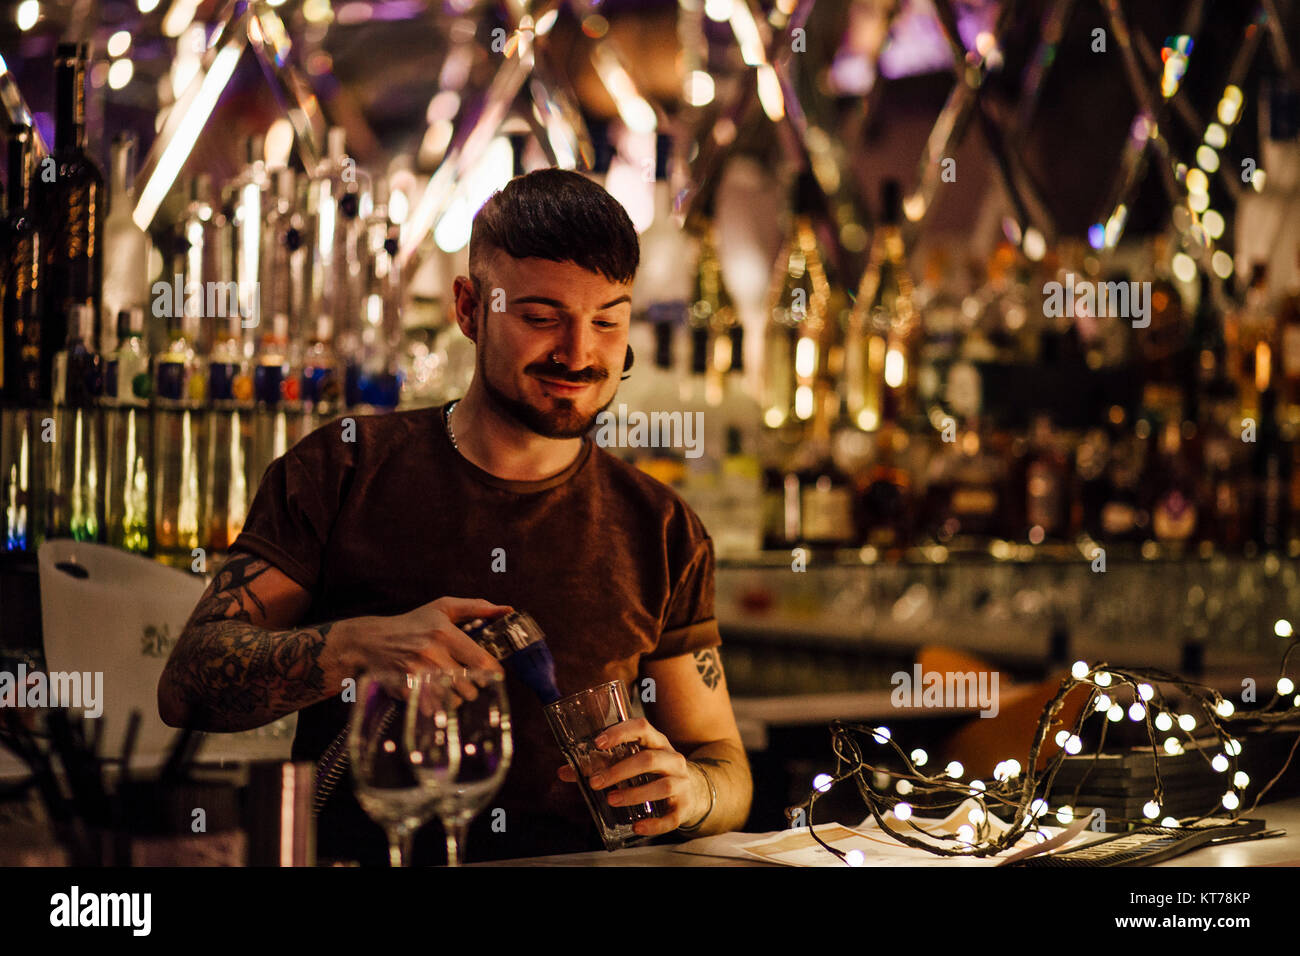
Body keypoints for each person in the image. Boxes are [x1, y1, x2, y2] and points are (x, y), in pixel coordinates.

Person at [157, 167, 752, 863]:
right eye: (540, 317)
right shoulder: (344, 468)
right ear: (469, 309)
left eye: (607, 321)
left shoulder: (660, 526)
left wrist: (693, 792)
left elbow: (725, 762)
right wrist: (355, 648)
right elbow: (188, 684)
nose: (579, 353)